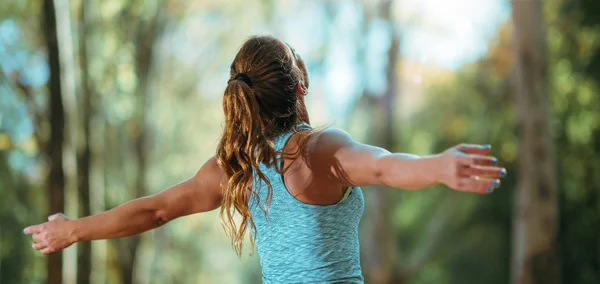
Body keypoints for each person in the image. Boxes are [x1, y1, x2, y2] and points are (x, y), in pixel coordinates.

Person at [24, 35, 506, 283]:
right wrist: (438, 166)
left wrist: (73, 229)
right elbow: (383, 166)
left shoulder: (235, 167)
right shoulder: (320, 150)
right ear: (299, 89)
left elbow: (156, 210)